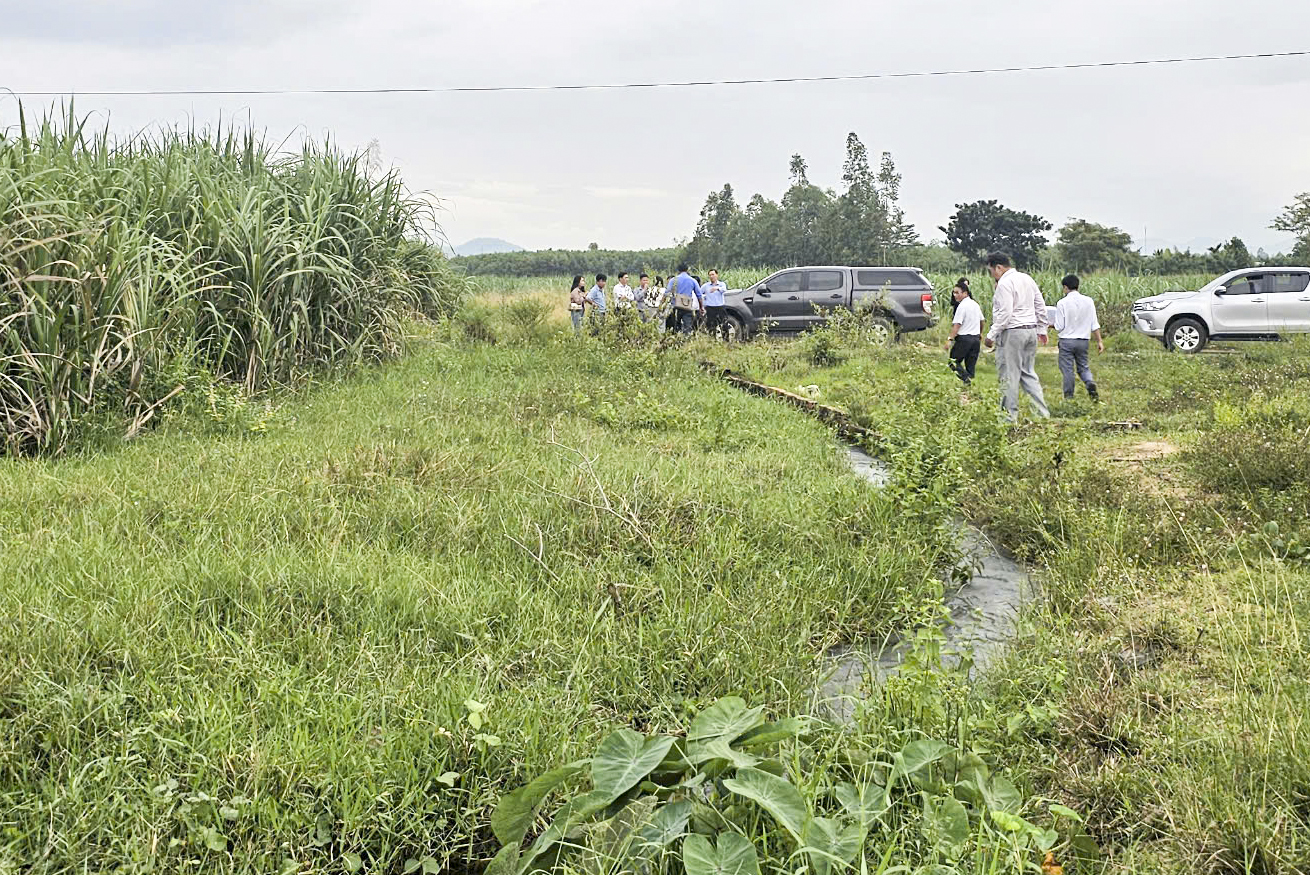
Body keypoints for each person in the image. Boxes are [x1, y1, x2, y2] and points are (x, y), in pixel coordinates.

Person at [983, 252, 1050, 421]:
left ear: (998, 267)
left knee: (1008, 375)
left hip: (1013, 332)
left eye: (991, 271)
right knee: (1028, 373)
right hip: (1030, 331)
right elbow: (1040, 305)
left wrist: (991, 334)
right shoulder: (1027, 279)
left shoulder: (1005, 283)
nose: (992, 275)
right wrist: (1042, 329)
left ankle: (1008, 417)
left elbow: (1005, 313)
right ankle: (1042, 414)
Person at [1050, 274, 1103, 401]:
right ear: (1077, 285)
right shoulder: (1089, 301)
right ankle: (1089, 382)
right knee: (1083, 367)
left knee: (1067, 370)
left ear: (1065, 287)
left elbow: (1059, 326)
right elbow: (1094, 324)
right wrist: (1099, 341)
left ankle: (1069, 397)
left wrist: (1049, 325)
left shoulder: (1062, 303)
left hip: (1067, 341)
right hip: (1083, 340)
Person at [944, 278, 985, 384]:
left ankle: (966, 380)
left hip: (964, 339)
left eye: (957, 293)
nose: (954, 295)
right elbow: (982, 321)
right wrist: (980, 333)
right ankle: (969, 387)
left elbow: (957, 325)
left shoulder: (962, 306)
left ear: (965, 293)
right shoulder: (975, 304)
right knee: (970, 366)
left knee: (953, 362)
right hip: (975, 339)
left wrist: (949, 340)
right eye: (954, 292)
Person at [668, 264, 704, 334]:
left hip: (676, 306)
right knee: (687, 326)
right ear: (687, 270)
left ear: (678, 270)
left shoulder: (673, 280)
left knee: (676, 325)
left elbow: (667, 293)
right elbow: (699, 295)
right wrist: (701, 307)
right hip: (687, 306)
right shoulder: (692, 280)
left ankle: (677, 340)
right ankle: (686, 341)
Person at [700, 269, 729, 339]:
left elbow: (724, 290)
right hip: (710, 308)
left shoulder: (722, 284)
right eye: (710, 275)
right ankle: (712, 341)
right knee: (711, 326)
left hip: (720, 307)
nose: (711, 276)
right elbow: (699, 293)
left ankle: (726, 341)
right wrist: (704, 301)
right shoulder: (705, 286)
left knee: (724, 325)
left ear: (717, 275)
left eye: (713, 274)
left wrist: (717, 288)